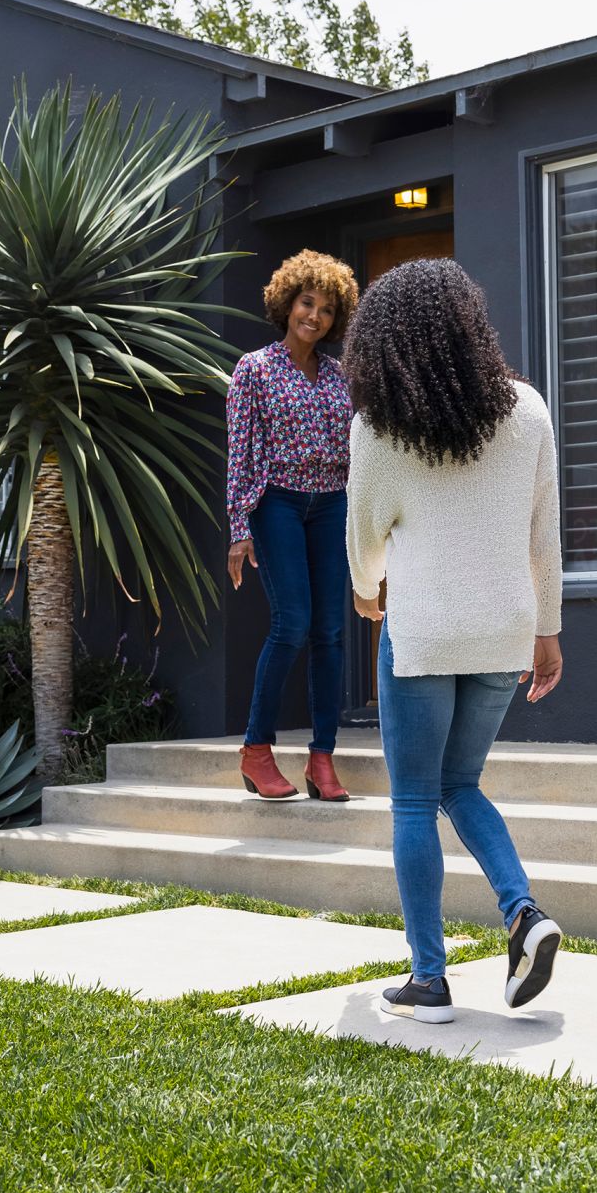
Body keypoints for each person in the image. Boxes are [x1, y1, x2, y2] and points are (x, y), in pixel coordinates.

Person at [344, 258, 565, 1025]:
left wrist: (369, 596)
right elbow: (545, 538)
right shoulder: (529, 410)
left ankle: (429, 980)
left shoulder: (378, 427)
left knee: (413, 801)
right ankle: (523, 913)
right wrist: (548, 631)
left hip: (425, 635)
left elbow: (363, 539)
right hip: (505, 630)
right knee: (460, 785)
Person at [227, 249, 358, 802]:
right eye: (308, 303)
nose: (316, 317)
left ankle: (322, 758)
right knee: (293, 623)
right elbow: (241, 450)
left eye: (328, 309)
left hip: (331, 503)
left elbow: (357, 449)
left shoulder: (339, 375)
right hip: (276, 501)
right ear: (288, 303)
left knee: (331, 630)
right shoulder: (254, 369)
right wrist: (239, 525)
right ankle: (257, 750)